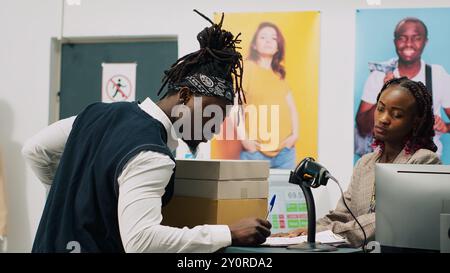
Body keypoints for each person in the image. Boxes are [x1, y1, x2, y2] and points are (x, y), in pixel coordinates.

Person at [22, 10, 271, 253]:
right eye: (211, 115)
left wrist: (67, 199)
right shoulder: (152, 154)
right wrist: (229, 233)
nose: (213, 130)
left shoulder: (96, 114)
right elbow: (141, 242)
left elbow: (35, 149)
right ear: (185, 96)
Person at [276, 77, 441, 247]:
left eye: (397, 114)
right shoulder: (365, 163)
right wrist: (305, 232)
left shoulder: (424, 161)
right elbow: (342, 215)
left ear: (416, 121)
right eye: (380, 109)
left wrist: (325, 234)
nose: (383, 118)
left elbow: (387, 221)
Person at [355, 17, 450, 157]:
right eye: (402, 38)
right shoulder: (379, 74)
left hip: (425, 162)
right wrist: (386, 92)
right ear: (395, 41)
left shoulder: (437, 75)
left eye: (416, 38)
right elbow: (363, 128)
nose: (409, 44)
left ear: (425, 41)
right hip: (385, 162)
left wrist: (446, 127)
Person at [239, 22, 299, 169]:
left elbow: (292, 109)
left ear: (278, 46)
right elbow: (235, 106)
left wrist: (294, 136)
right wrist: (245, 140)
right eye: (263, 37)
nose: (268, 41)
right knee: (254, 193)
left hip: (285, 152)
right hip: (255, 153)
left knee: (284, 192)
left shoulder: (279, 75)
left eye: (273, 38)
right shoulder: (246, 68)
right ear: (254, 45)